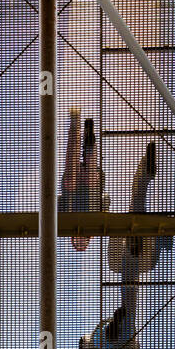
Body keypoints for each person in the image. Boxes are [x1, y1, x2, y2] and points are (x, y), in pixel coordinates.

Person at [79, 141, 170, 349]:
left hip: (130, 266)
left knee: (136, 207)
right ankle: (114, 214)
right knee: (135, 209)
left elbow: (88, 342)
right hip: (134, 265)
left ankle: (116, 205)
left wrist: (104, 340)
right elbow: (131, 347)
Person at [58, 107, 110, 252]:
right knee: (91, 178)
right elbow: (106, 200)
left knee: (70, 177)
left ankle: (75, 125)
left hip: (72, 192)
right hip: (92, 190)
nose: (80, 241)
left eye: (77, 244)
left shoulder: (65, 226)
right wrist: (103, 210)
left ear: (72, 240)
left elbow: (58, 201)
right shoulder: (96, 227)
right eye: (83, 244)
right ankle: (89, 138)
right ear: (88, 242)